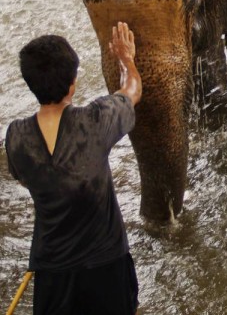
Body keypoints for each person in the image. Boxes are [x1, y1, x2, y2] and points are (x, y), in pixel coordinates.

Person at [4, 22, 142, 315]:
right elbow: (132, 90)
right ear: (73, 83)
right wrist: (126, 58)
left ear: (30, 84)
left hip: (52, 272)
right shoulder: (96, 120)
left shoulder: (16, 137)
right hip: (107, 269)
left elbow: (24, 176)